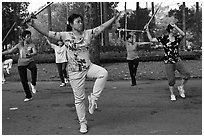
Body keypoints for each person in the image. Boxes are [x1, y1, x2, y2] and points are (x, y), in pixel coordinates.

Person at [25, 11, 124, 133]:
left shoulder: (88, 34)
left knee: (103, 73)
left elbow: (102, 27)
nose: (81, 23)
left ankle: (93, 98)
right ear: (71, 24)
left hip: (88, 67)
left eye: (81, 21)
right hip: (74, 72)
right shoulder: (64, 35)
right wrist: (33, 24)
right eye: (78, 21)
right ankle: (83, 123)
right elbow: (47, 32)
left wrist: (114, 18)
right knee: (79, 99)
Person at [145, 22, 190, 101]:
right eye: (174, 29)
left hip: (177, 60)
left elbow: (183, 34)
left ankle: (181, 87)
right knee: (171, 79)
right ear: (170, 30)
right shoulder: (164, 38)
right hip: (168, 62)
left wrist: (175, 26)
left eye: (175, 29)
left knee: (186, 74)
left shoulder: (177, 38)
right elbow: (151, 39)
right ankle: (172, 94)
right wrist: (147, 30)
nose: (175, 30)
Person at [2, 30, 38, 102]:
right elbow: (10, 51)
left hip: (30, 61)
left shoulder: (32, 44)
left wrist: (30, 54)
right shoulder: (19, 45)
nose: (29, 38)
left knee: (34, 68)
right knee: (24, 80)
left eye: (30, 36)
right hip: (21, 63)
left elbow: (35, 52)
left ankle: (33, 83)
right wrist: (1, 53)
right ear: (24, 38)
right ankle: (28, 96)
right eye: (28, 37)